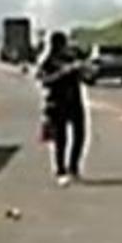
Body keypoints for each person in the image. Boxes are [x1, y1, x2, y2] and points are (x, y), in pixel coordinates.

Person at [37, 31, 88, 186]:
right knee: (61, 139)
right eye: (60, 43)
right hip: (58, 103)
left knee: (80, 135)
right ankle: (60, 169)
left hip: (75, 102)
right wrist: (62, 73)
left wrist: (81, 69)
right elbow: (44, 80)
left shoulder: (71, 58)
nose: (63, 47)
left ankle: (74, 166)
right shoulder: (47, 61)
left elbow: (83, 77)